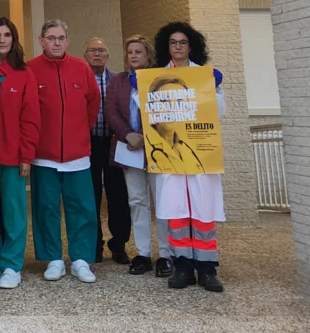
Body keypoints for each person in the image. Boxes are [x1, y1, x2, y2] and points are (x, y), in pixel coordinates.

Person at [153, 22, 227, 293]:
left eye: (183, 42)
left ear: (191, 46)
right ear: (167, 47)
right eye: (173, 42)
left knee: (203, 211)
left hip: (199, 154)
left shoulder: (204, 75)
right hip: (171, 154)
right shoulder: (157, 78)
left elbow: (220, 111)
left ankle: (207, 269)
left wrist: (213, 88)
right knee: (176, 211)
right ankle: (182, 266)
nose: (178, 47)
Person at [27, 19, 100, 285]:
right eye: (51, 37)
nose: (56, 42)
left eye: (61, 38)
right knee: (46, 208)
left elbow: (92, 104)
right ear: (41, 40)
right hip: (43, 155)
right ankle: (54, 259)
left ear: (67, 41)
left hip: (77, 154)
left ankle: (81, 259)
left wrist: (80, 131)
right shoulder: (31, 69)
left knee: (81, 208)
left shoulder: (82, 68)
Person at [0, 17, 39, 290]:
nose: (2, 39)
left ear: (13, 39)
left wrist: (27, 154)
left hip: (12, 152)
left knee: (14, 210)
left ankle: (12, 265)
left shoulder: (24, 74)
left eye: (7, 35)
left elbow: (31, 117)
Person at [105, 35, 173, 277]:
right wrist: (127, 134)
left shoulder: (159, 78)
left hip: (157, 149)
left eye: (138, 52)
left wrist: (146, 135)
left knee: (162, 201)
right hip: (129, 149)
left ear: (148, 56)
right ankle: (143, 253)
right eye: (130, 52)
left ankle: (166, 254)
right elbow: (110, 109)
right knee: (137, 201)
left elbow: (166, 109)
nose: (133, 55)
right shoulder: (119, 81)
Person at [83, 37, 132, 264]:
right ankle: (94, 245)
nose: (97, 54)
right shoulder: (80, 78)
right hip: (88, 144)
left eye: (102, 50)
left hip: (114, 144)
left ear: (108, 55)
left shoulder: (119, 80)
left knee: (118, 196)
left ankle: (119, 244)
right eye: (93, 50)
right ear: (85, 55)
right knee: (90, 196)